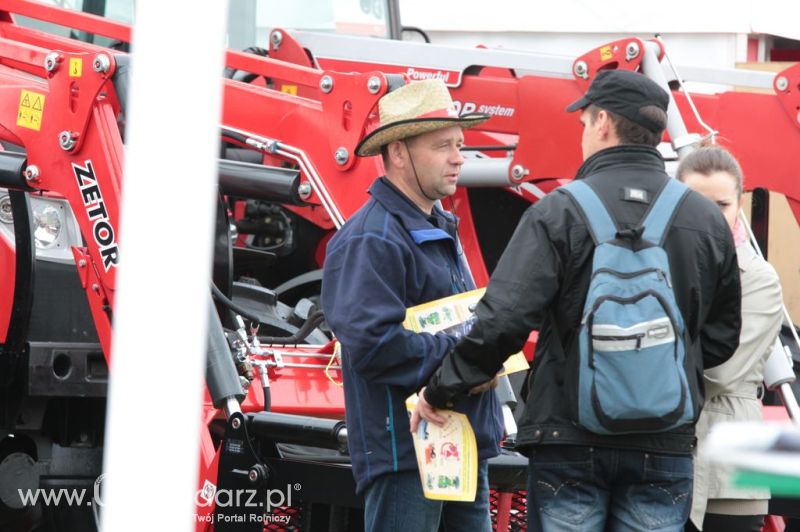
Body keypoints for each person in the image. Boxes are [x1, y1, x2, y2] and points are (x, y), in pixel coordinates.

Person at [411, 70, 743, 531]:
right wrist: (655, 370)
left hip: (568, 436)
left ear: (603, 121)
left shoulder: (559, 211)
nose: (584, 133)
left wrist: (443, 387)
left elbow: (503, 320)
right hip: (663, 442)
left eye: (585, 122)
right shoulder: (706, 219)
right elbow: (723, 339)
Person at [321, 79, 503, 532]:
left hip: (456, 448)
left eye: (459, 145)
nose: (459, 157)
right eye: (443, 145)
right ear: (398, 153)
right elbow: (373, 344)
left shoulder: (433, 225)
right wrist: (467, 364)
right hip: (406, 457)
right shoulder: (372, 238)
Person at [677, 146, 783, 532]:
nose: (708, 216)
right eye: (695, 203)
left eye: (721, 204)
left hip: (726, 470)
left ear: (739, 204)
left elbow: (720, 371)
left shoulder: (757, 278)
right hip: (667, 459)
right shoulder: (661, 262)